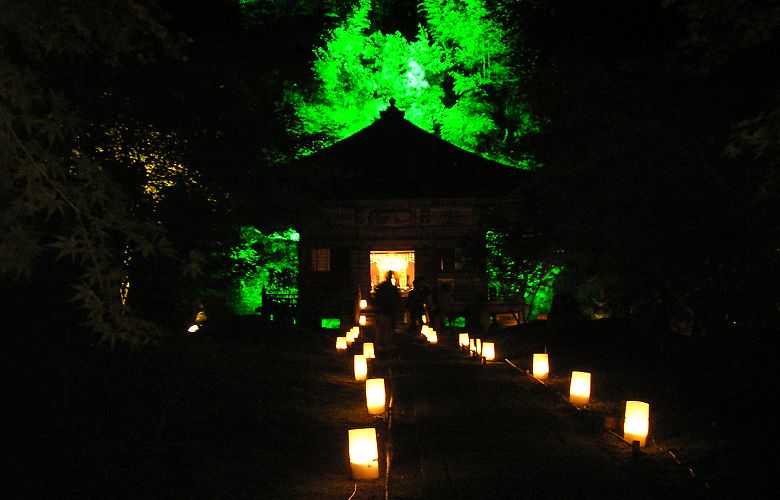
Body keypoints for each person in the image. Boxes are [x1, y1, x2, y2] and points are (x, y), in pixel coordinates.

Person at [375, 271, 401, 341]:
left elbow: (377, 298)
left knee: (384, 326)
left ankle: (384, 340)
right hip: (387, 309)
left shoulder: (382, 287)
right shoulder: (391, 288)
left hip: (385, 309)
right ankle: (387, 340)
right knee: (387, 325)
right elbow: (397, 298)